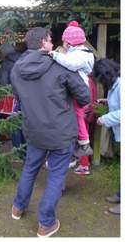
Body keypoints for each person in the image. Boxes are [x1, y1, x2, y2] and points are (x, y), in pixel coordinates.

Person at [10, 27, 91, 238]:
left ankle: (18, 207)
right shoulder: (59, 65)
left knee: (30, 168)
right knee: (55, 176)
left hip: (34, 131)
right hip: (60, 132)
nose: (53, 44)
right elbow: (84, 97)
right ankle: (46, 223)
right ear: (43, 43)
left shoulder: (16, 68)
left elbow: (18, 97)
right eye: (50, 40)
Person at [50, 22, 96, 176]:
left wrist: (55, 55)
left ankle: (83, 143)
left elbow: (69, 63)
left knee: (77, 115)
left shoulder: (79, 55)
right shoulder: (82, 52)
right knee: (75, 115)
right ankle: (79, 146)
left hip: (79, 90)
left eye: (65, 41)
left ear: (69, 42)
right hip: (79, 89)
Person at [93, 58, 120, 215]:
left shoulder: (121, 85)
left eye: (100, 78)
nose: (100, 82)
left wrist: (104, 119)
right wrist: (106, 101)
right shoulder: (114, 85)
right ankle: (120, 195)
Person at [0, 43, 25, 151]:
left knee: (14, 124)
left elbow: (3, 81)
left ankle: (18, 150)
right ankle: (26, 148)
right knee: (25, 122)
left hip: (12, 97)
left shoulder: (6, 64)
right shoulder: (25, 58)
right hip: (27, 96)